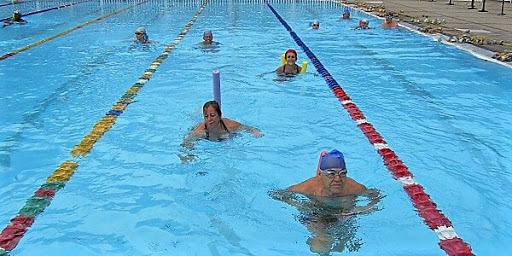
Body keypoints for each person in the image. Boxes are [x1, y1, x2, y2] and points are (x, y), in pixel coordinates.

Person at [271, 149, 381, 254]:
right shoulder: (310, 187)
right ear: (321, 175)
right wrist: (299, 205)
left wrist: (363, 209)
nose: (338, 179)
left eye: (342, 173)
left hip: (344, 214)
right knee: (319, 247)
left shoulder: (353, 187)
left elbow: (376, 195)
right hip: (316, 215)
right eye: (331, 174)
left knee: (343, 247)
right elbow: (278, 194)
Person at [181, 100, 261, 149]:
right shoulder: (201, 131)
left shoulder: (230, 125)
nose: (209, 119)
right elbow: (186, 143)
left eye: (212, 115)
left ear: (219, 116)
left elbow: (249, 128)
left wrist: (255, 132)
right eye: (206, 116)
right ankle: (196, 113)